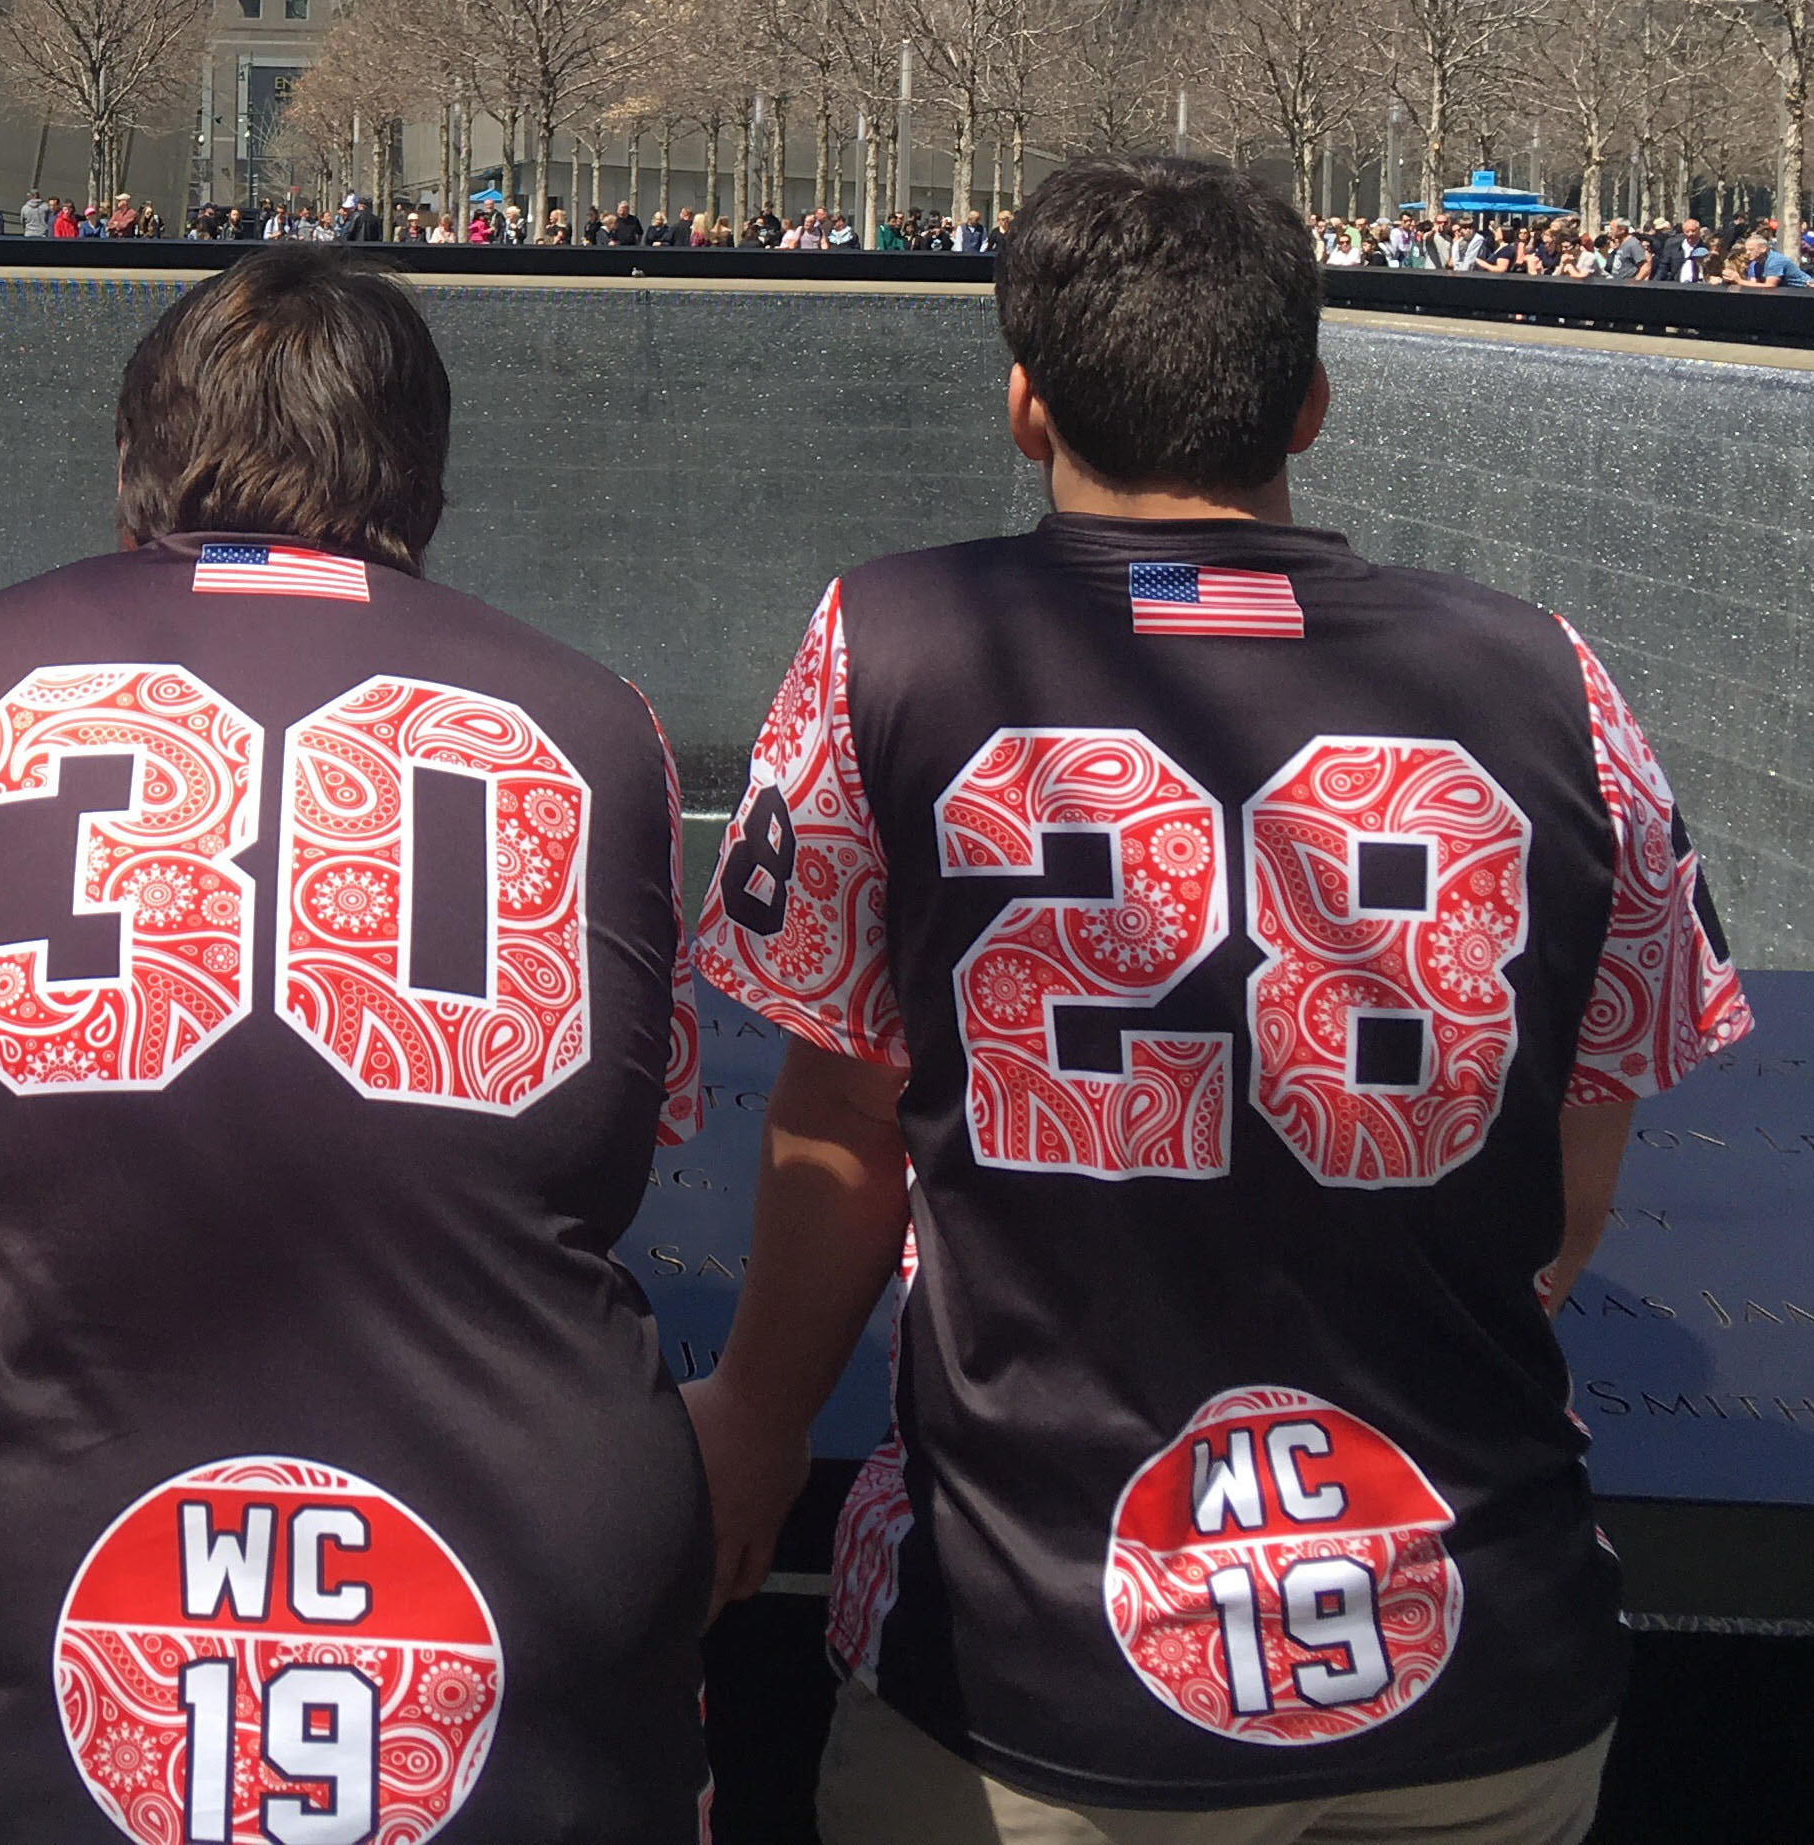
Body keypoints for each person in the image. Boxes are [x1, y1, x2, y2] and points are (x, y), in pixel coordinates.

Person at [686, 155, 1749, 1845]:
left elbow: (837, 1118)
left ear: (1026, 408)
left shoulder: (885, 641)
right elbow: (1575, 1171)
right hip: (1480, 1651)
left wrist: (750, 1416)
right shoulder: (1555, 680)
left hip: (1026, 1674)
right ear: (1312, 404)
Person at [0, 249, 711, 1844]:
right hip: (523, 1571)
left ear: (137, 468)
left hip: (27, 1549)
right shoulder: (601, 720)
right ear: (419, 480)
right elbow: (655, 1119)